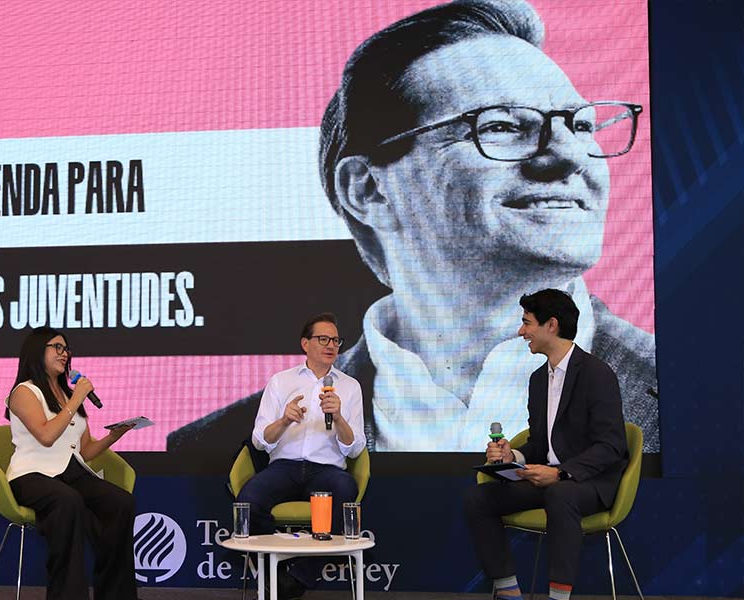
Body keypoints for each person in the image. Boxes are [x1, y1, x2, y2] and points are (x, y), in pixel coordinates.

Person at [167, 0, 658, 454]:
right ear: (368, 190)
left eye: (581, 125)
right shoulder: (214, 444)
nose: (571, 155)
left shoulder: (692, 386)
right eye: (503, 127)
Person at [463, 289, 628, 600]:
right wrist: (513, 455)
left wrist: (562, 473)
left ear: (551, 325)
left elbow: (612, 445)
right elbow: (541, 444)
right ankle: (509, 593)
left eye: (527, 323)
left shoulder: (596, 374)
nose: (521, 331)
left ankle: (558, 597)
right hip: (550, 480)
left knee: (560, 492)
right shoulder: (539, 379)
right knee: (478, 498)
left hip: (589, 482)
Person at [236, 312, 366, 599]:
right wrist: (283, 421)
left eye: (335, 340)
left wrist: (339, 417)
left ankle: (298, 578)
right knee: (249, 499)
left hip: (327, 470)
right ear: (305, 344)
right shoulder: (281, 382)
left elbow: (355, 448)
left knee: (345, 491)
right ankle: (277, 573)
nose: (331, 345)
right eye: (323, 339)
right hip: (284, 467)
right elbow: (260, 441)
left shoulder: (349, 386)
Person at [4, 326, 137, 600]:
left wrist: (113, 435)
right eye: (57, 347)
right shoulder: (24, 392)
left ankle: (114, 594)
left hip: (71, 471)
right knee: (69, 501)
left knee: (121, 503)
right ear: (37, 351)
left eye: (67, 349)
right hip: (32, 474)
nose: (65, 354)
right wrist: (77, 398)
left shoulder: (68, 395)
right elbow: (46, 435)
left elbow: (85, 451)